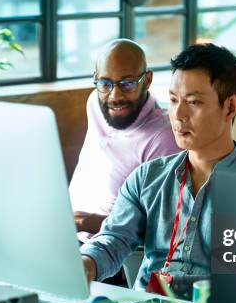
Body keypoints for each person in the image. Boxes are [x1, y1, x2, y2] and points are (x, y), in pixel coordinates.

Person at [80, 43, 236, 299]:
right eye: (173, 100)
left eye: (193, 102)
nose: (178, 115)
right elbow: (114, 239)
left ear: (230, 107)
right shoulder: (146, 178)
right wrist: (86, 263)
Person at [69, 39, 180, 239]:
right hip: (66, 233)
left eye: (127, 84)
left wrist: (85, 222)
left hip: (105, 254)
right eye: (105, 83)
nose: (114, 96)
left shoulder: (163, 136)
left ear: (147, 80)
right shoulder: (95, 102)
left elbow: (162, 227)